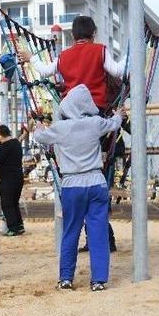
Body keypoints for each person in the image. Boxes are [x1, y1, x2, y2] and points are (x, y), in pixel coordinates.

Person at [31, 85, 124, 292]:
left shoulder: (60, 128)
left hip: (72, 184)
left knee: (71, 231)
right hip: (96, 182)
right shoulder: (95, 123)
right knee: (98, 232)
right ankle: (98, 280)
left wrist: (37, 125)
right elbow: (115, 123)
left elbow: (39, 137)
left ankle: (66, 278)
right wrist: (118, 113)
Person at [18, 15, 124, 113]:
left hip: (71, 109)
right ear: (94, 34)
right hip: (95, 107)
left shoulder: (63, 56)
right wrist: (132, 55)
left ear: (72, 35)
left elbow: (45, 72)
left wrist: (31, 57)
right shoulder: (100, 50)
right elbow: (117, 71)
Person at [0, 125, 25, 236]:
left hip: (8, 178)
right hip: (18, 177)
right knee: (14, 203)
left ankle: (13, 227)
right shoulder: (16, 143)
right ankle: (19, 225)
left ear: (0, 135)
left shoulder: (6, 146)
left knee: (7, 204)